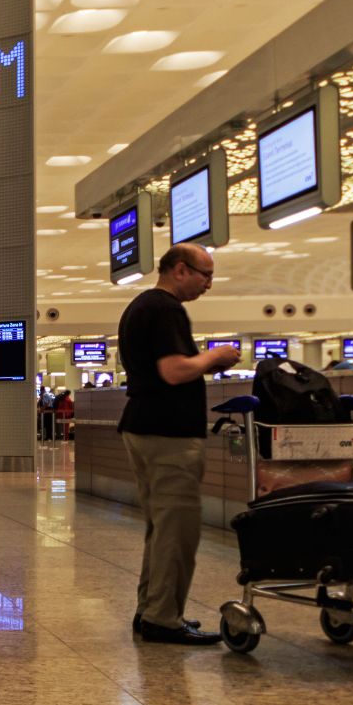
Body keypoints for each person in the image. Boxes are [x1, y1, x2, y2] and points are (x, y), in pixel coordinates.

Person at [118, 244, 242, 646]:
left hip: (145, 427)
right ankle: (162, 619)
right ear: (180, 270)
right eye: (205, 274)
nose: (210, 283)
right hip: (168, 434)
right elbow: (173, 371)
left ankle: (151, 610)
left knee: (161, 528)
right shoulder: (166, 308)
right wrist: (214, 356)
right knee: (178, 530)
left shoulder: (141, 306)